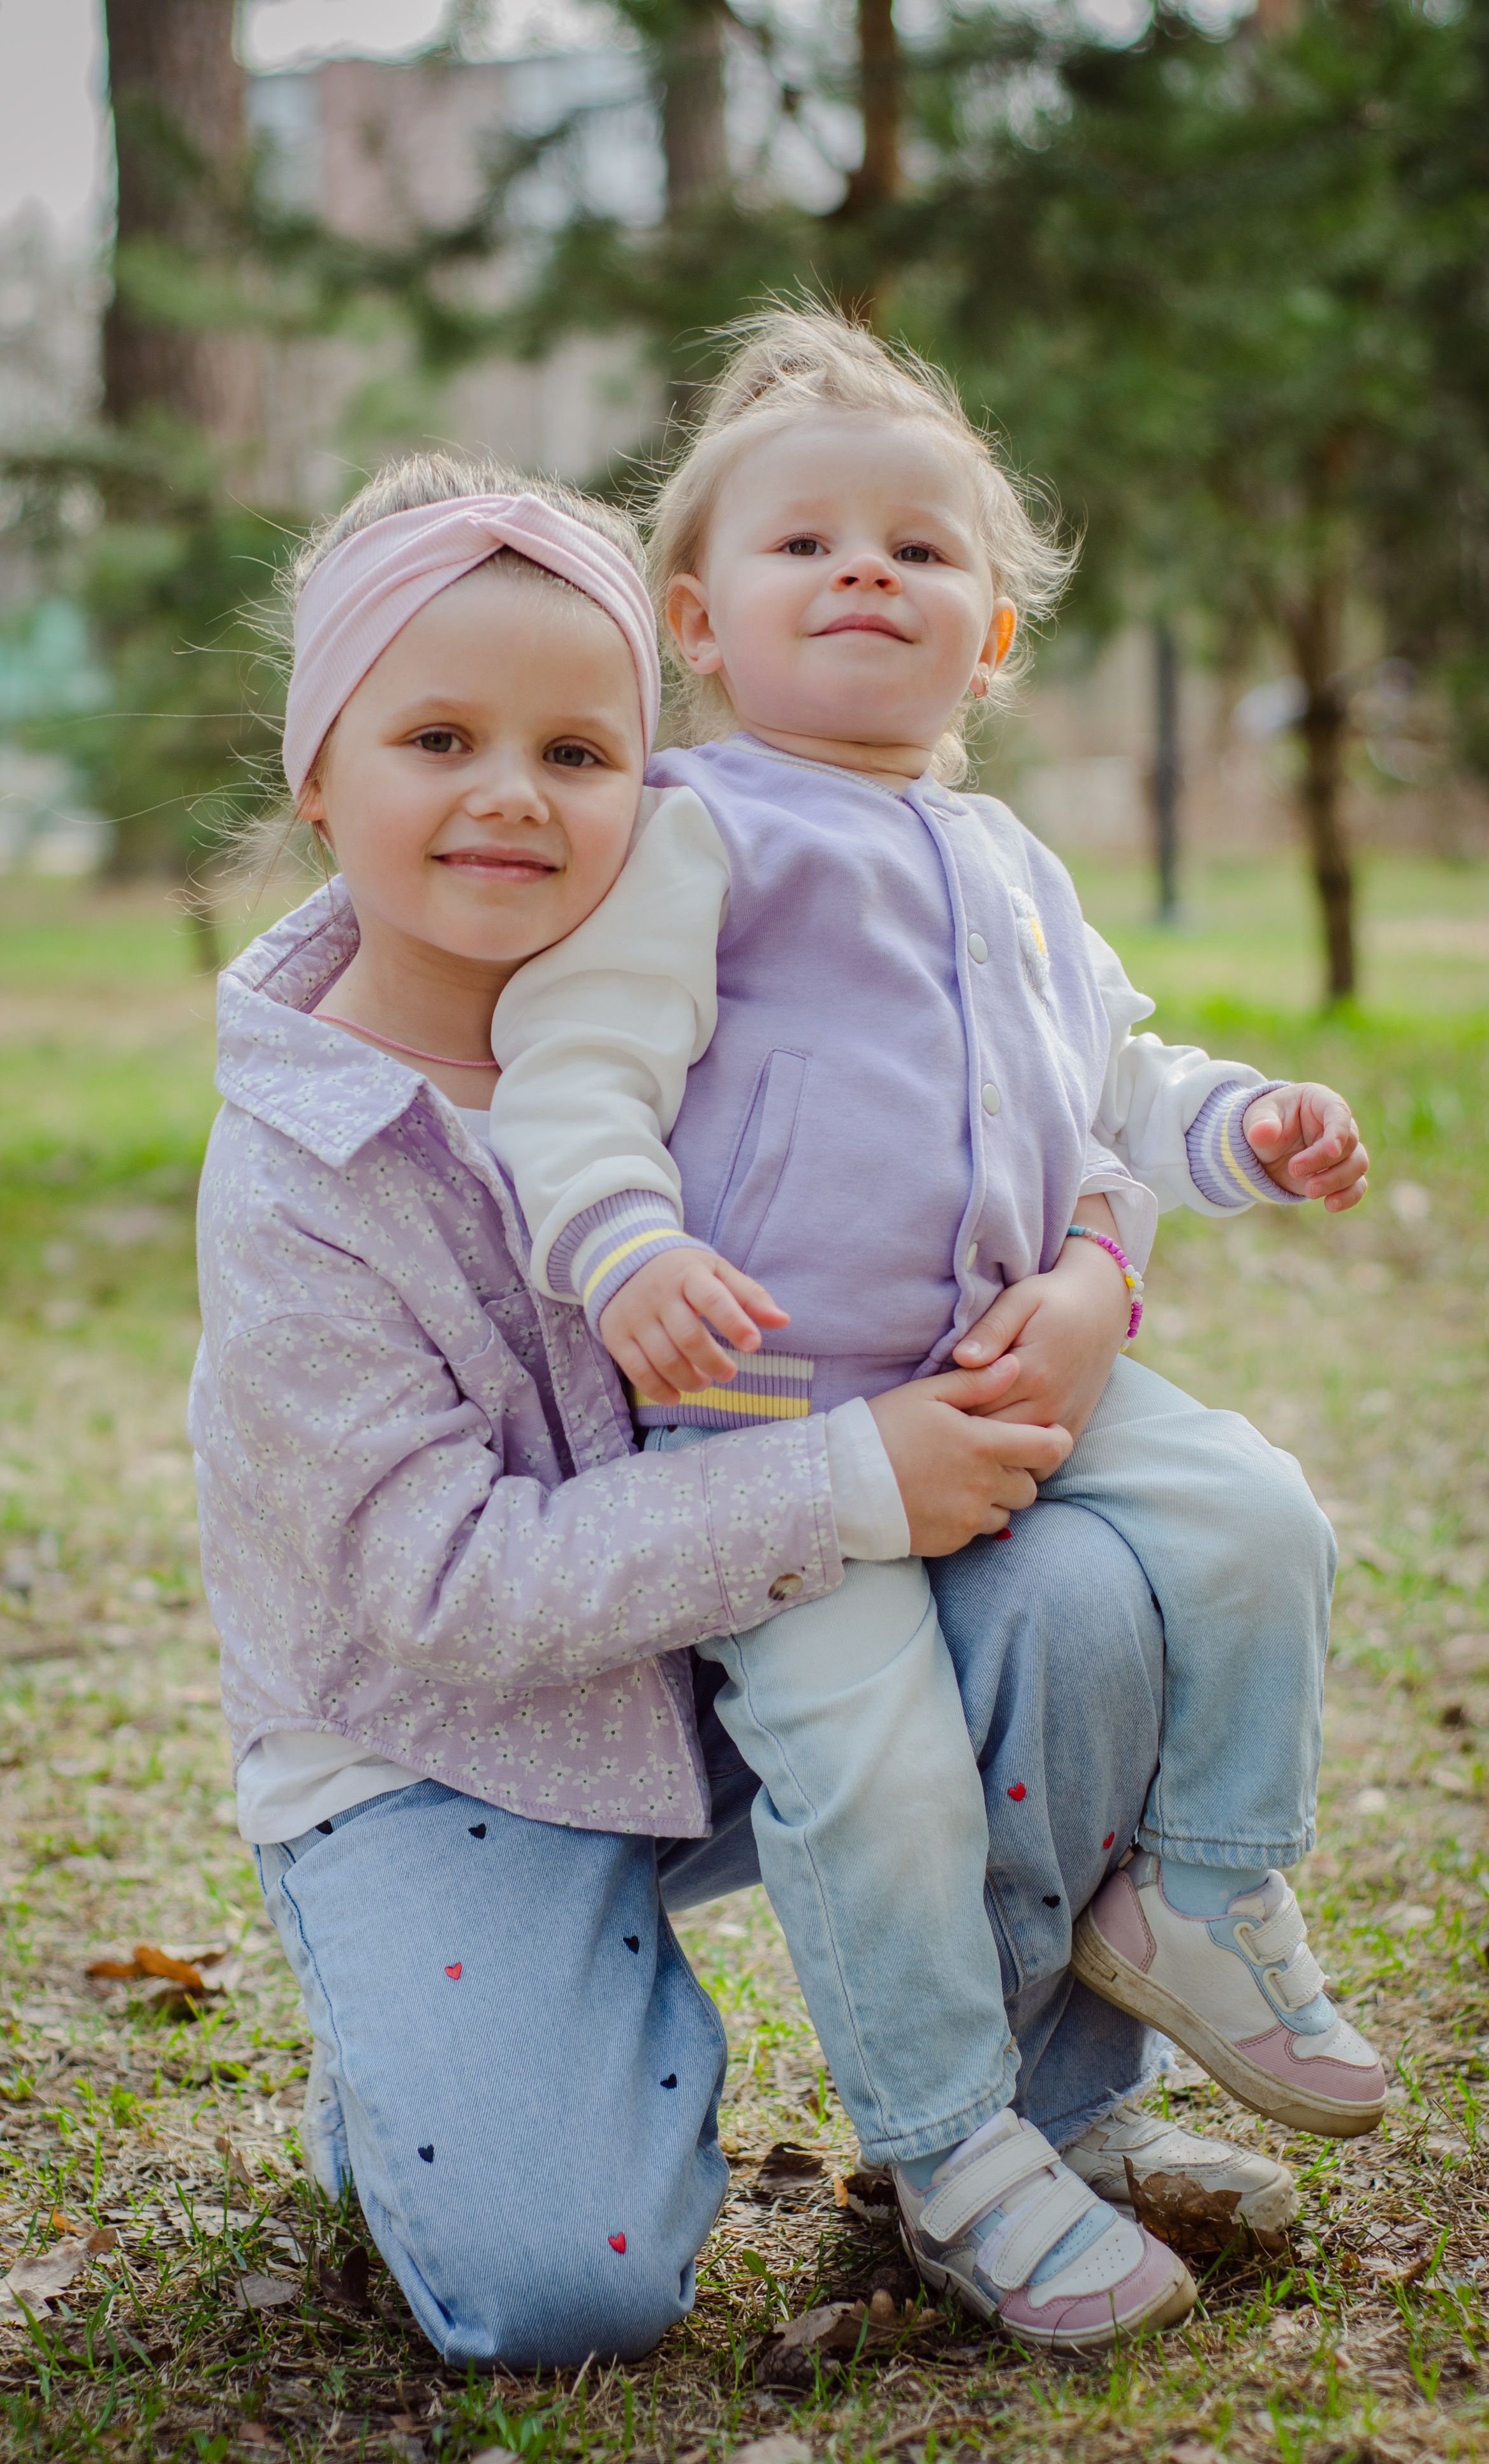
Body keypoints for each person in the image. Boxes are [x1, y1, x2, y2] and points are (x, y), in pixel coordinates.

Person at [190, 451, 1235, 2368]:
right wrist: (845, 1478)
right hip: (452, 1745)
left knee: (1075, 1596)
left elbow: (1036, 1086)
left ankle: (1032, 2124)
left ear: (652, 785)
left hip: (744, 1655)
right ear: (319, 774)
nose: (513, 792)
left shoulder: (718, 970)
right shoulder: (301, 1176)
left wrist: (1097, 1269)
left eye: (581, 753)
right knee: (560, 2289)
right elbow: (442, 1589)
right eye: (437, 735)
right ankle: (440, 2067)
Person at [483, 310, 1388, 2309]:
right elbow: (576, 1064)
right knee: (874, 1770)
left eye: (920, 545)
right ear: (702, 622)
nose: (868, 568)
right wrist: (624, 1250)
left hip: (1000, 1355)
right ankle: (953, 2146)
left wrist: (1249, 1126)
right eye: (809, 546)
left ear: (990, 637)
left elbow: (1117, 1082)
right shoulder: (699, 831)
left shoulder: (1014, 862)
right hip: (772, 1418)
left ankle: (1210, 1892)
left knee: (1259, 1517)